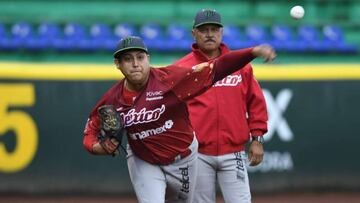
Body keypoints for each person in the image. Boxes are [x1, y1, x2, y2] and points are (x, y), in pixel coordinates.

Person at [83, 36, 275, 203]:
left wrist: (253, 52)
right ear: (118, 64)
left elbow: (218, 68)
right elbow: (90, 132)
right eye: (128, 59)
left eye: (140, 58)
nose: (135, 64)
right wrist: (98, 147)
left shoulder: (171, 79)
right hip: (144, 159)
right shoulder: (112, 99)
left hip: (182, 157)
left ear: (148, 59)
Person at [173, 9, 269, 203]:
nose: (209, 34)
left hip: (233, 152)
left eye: (214, 29)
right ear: (194, 33)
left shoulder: (241, 65)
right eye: (204, 29)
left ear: (222, 32)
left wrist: (257, 138)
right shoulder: (182, 68)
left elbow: (256, 103)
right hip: (197, 154)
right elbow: (171, 111)